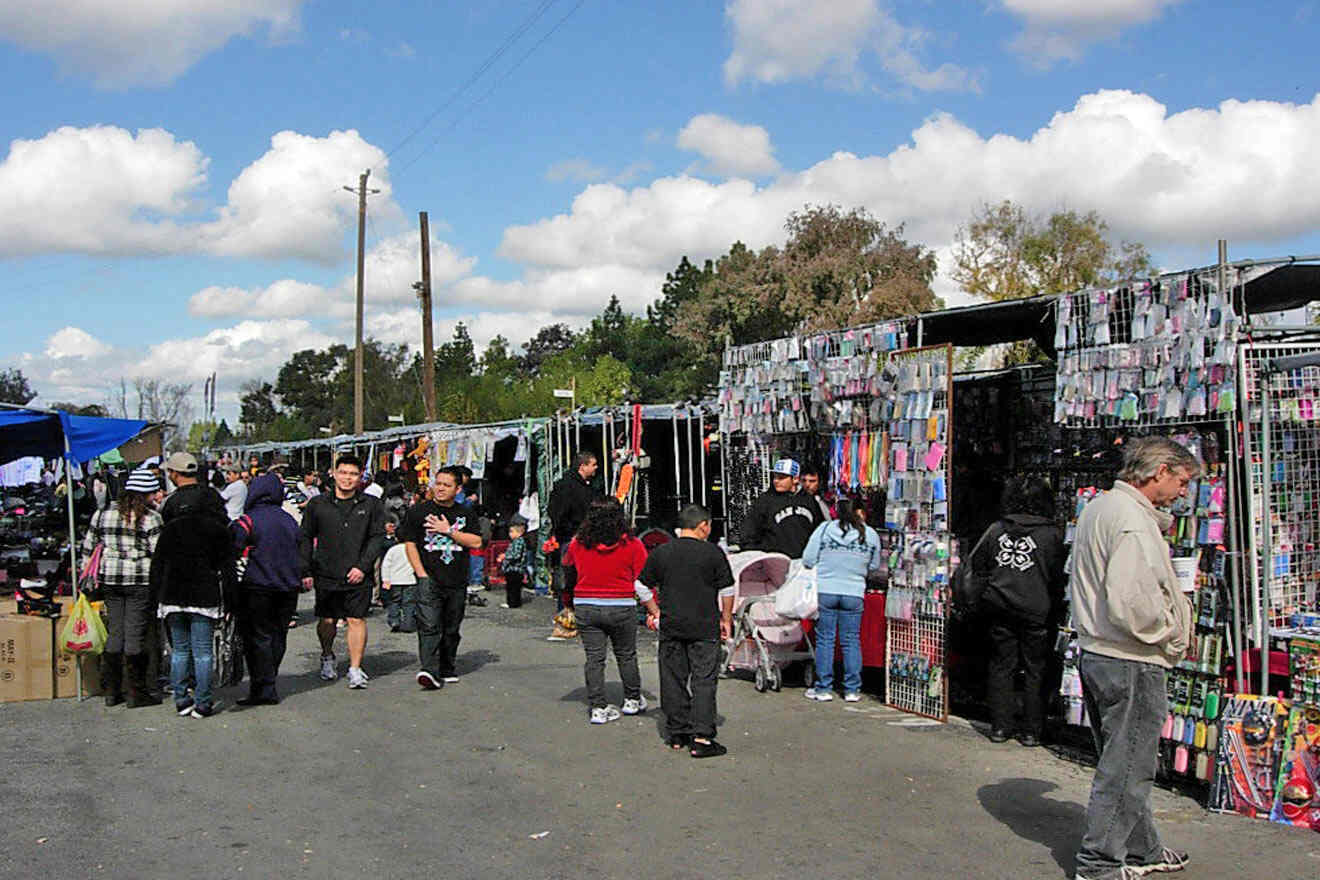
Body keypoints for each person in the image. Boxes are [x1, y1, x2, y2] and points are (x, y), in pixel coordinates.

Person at [1071, 437, 1198, 880]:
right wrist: (1170, 633)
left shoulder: (1101, 507)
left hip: (1102, 651)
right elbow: (1130, 601)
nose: (1184, 491)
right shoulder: (1130, 521)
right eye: (1181, 480)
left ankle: (1144, 848)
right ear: (1159, 471)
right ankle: (1100, 863)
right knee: (1127, 765)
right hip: (1131, 656)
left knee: (1124, 759)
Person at [964, 478, 1067, 747]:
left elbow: (979, 567)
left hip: (1000, 606)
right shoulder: (1052, 535)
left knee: (1002, 666)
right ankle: (1032, 731)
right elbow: (1059, 577)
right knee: (1036, 670)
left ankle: (1000, 727)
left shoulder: (996, 530)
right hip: (1037, 610)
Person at [639, 504, 735, 757]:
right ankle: (702, 738)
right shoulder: (713, 553)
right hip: (704, 626)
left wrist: (654, 610)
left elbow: (640, 586)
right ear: (703, 526)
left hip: (672, 626)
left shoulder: (662, 552)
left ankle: (677, 733)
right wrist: (726, 619)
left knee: (673, 679)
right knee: (704, 681)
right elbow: (726, 590)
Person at [152, 454, 234, 718]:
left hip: (173, 592)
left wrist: (156, 597)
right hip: (204, 593)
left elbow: (158, 566)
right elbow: (228, 568)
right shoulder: (218, 530)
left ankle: (180, 699)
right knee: (202, 652)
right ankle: (203, 702)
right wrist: (232, 601)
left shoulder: (169, 526)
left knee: (180, 650)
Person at [566, 498, 659, 725]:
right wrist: (653, 608)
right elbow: (644, 580)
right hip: (621, 605)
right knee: (626, 655)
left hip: (586, 604)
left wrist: (568, 602)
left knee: (594, 659)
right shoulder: (633, 544)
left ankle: (598, 707)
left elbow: (568, 572)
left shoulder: (577, 544)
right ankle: (632, 699)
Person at [300, 454, 387, 690]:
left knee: (356, 619)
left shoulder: (371, 505)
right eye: (344, 473)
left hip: (359, 573)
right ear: (334, 474)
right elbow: (306, 536)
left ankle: (355, 668)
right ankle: (327, 656)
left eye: (353, 474)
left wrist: (363, 566)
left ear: (360, 478)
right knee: (327, 620)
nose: (348, 478)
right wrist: (305, 568)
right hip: (326, 572)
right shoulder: (318, 504)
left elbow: (377, 537)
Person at [82, 466, 163, 708]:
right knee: (135, 635)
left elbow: (88, 547)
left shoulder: (102, 513)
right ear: (145, 494)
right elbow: (158, 553)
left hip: (110, 579)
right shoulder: (151, 518)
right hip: (139, 580)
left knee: (115, 632)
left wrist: (85, 577)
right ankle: (136, 692)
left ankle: (112, 690)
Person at [399, 467, 482, 690]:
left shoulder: (466, 513)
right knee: (429, 624)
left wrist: (448, 531)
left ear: (458, 489)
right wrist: (421, 573)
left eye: (447, 485)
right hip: (429, 577)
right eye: (438, 483)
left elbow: (476, 542)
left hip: (456, 578)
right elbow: (410, 544)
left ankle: (447, 665)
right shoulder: (418, 512)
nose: (441, 488)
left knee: (451, 626)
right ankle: (429, 669)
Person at [230, 472, 308, 706]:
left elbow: (233, 546)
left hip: (257, 586)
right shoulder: (289, 520)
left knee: (258, 637)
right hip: (287, 587)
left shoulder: (248, 519)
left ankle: (263, 686)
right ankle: (269, 679)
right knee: (278, 635)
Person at [801, 496, 881, 702]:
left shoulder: (825, 529)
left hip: (826, 590)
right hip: (854, 592)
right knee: (851, 640)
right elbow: (874, 566)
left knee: (825, 640)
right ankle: (852, 689)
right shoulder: (870, 534)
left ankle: (823, 688)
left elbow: (808, 559)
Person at [548, 452, 602, 623]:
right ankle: (566, 615)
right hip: (571, 537)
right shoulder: (567, 487)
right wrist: (567, 532)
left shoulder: (586, 486)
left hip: (581, 536)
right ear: (582, 466)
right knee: (569, 577)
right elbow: (558, 513)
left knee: (579, 577)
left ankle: (576, 614)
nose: (596, 468)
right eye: (593, 464)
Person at [736, 458, 822, 559]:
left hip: (803, 563)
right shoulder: (765, 501)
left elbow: (819, 530)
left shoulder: (809, 500)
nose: (776, 481)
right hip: (775, 563)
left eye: (781, 478)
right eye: (775, 477)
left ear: (795, 479)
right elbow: (748, 532)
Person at [160, 452, 227, 523]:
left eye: (169, 472)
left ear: (174, 473)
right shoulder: (213, 494)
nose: (169, 476)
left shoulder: (172, 501)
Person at [379, 516, 417, 632]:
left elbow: (386, 565)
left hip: (395, 580)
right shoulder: (413, 549)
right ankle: (408, 623)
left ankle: (394, 621)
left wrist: (386, 579)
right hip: (410, 580)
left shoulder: (393, 549)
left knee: (394, 602)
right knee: (409, 603)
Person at [498, 515, 532, 609]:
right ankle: (515, 602)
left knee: (513, 587)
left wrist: (505, 556)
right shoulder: (516, 542)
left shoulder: (518, 541)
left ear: (519, 533)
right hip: (513, 568)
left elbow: (516, 555)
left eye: (512, 532)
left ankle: (512, 603)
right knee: (513, 586)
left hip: (515, 568)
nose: (510, 534)